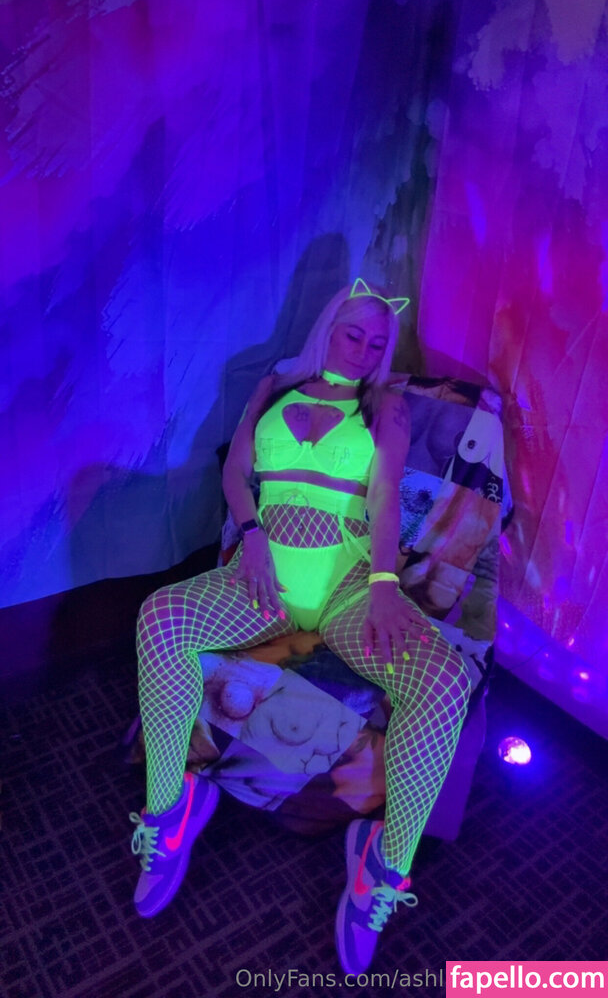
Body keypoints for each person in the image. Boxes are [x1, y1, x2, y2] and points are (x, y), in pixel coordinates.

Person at [130, 278, 472, 973]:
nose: (365, 350)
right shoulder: (274, 387)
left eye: (378, 342)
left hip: (346, 586)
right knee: (159, 617)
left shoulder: (385, 407)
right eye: (354, 334)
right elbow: (236, 474)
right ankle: (168, 814)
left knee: (445, 683)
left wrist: (384, 585)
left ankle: (382, 866)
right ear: (328, 328)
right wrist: (251, 536)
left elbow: (385, 500)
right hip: (263, 583)